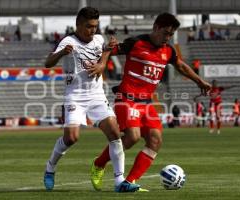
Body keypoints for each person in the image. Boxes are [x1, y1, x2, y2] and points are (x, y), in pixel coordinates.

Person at [90, 13, 211, 191]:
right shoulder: (136, 43)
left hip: (146, 103)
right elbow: (108, 51)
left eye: (171, 35)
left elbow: (181, 66)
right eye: (165, 33)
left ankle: (128, 182)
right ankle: (99, 164)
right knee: (133, 137)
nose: (167, 38)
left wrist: (199, 81)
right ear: (155, 27)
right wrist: (101, 65)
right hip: (127, 99)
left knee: (155, 140)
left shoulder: (168, 51)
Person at [43, 7, 139, 192]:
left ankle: (119, 181)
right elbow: (48, 63)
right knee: (71, 138)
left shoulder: (98, 39)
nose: (92, 30)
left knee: (114, 132)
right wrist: (61, 53)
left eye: (95, 26)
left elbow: (103, 53)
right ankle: (50, 168)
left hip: (96, 95)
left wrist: (103, 61)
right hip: (75, 96)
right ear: (78, 25)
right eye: (88, 26)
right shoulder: (68, 41)